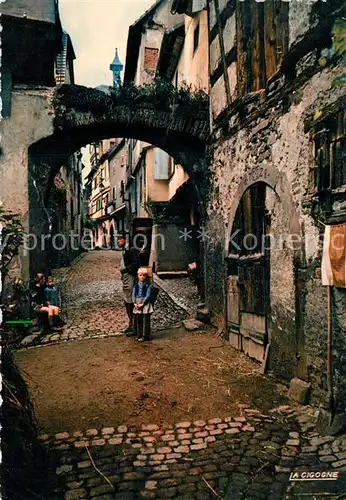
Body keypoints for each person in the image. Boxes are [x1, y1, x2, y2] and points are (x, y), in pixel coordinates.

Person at [118, 233, 140, 334]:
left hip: (130, 277)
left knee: (130, 301)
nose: (118, 242)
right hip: (126, 277)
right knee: (127, 301)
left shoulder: (131, 249)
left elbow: (136, 263)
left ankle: (134, 325)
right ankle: (132, 324)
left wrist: (126, 270)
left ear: (125, 240)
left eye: (119, 240)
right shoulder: (125, 250)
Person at [132, 267, 153, 341]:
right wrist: (134, 303)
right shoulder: (136, 285)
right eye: (140, 275)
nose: (142, 277)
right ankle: (139, 334)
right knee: (138, 320)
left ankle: (146, 335)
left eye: (144, 275)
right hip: (137, 302)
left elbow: (148, 295)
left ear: (146, 276)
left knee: (146, 321)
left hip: (144, 303)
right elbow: (133, 294)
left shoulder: (148, 285)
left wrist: (143, 303)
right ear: (138, 276)